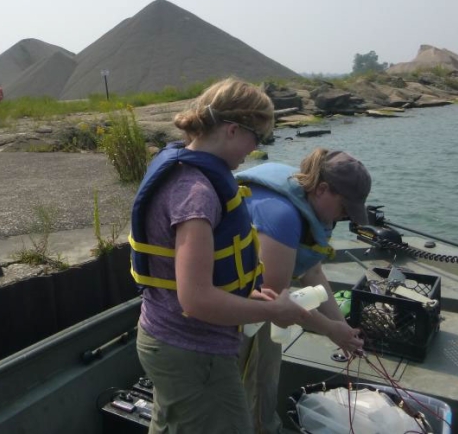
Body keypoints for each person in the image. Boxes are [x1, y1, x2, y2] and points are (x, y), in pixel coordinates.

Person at [131, 78, 312, 434]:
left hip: (171, 340)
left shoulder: (187, 172)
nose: (254, 149)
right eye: (256, 138)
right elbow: (196, 299)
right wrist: (273, 310)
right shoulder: (196, 194)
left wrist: (248, 296)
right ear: (231, 130)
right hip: (193, 351)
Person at [236, 148, 369, 434]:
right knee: (237, 393)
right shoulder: (281, 215)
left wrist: (343, 329)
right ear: (322, 189)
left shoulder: (312, 205)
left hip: (265, 309)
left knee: (266, 380)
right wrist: (330, 330)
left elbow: (313, 272)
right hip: (234, 307)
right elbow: (276, 301)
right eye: (345, 208)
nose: (345, 217)